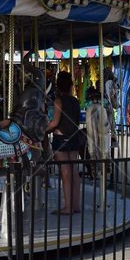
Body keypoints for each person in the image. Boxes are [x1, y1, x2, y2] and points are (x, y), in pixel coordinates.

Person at [47, 71, 83, 214]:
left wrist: (44, 130)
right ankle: (76, 205)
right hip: (74, 137)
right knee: (74, 171)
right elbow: (77, 120)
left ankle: (67, 206)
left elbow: (55, 122)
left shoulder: (58, 101)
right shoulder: (75, 101)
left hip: (61, 138)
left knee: (65, 172)